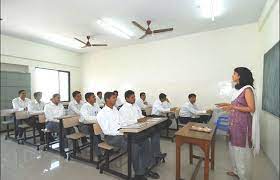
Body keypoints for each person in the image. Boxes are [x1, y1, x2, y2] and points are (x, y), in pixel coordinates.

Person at [216, 67, 259, 180]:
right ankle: (236, 171)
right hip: (234, 124)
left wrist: (232, 106)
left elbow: (251, 108)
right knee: (233, 149)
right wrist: (226, 104)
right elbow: (237, 106)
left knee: (240, 152)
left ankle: (243, 176)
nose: (232, 76)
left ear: (240, 76)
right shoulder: (238, 90)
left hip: (242, 126)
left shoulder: (247, 90)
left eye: (234, 73)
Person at [97, 92, 152, 180]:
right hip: (112, 137)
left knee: (144, 141)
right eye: (113, 98)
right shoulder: (102, 113)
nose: (116, 99)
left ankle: (146, 167)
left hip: (123, 133)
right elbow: (107, 131)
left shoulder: (115, 109)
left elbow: (123, 122)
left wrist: (128, 129)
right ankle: (139, 174)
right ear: (107, 99)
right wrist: (123, 132)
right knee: (134, 147)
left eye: (115, 97)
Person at [119, 90, 165, 178]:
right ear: (126, 98)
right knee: (140, 144)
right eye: (132, 97)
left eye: (134, 96)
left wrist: (145, 118)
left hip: (140, 129)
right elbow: (124, 123)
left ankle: (148, 164)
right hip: (131, 132)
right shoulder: (123, 109)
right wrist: (137, 120)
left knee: (153, 135)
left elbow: (140, 116)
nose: (134, 98)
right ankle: (141, 171)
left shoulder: (135, 106)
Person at [79, 92, 102, 158]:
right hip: (83, 126)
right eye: (93, 97)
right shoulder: (84, 106)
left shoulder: (96, 104)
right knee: (95, 134)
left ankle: (101, 147)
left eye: (94, 97)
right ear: (88, 99)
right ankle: (98, 153)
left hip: (93, 124)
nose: (95, 98)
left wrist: (100, 118)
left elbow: (101, 114)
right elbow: (87, 118)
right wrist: (98, 118)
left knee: (98, 133)